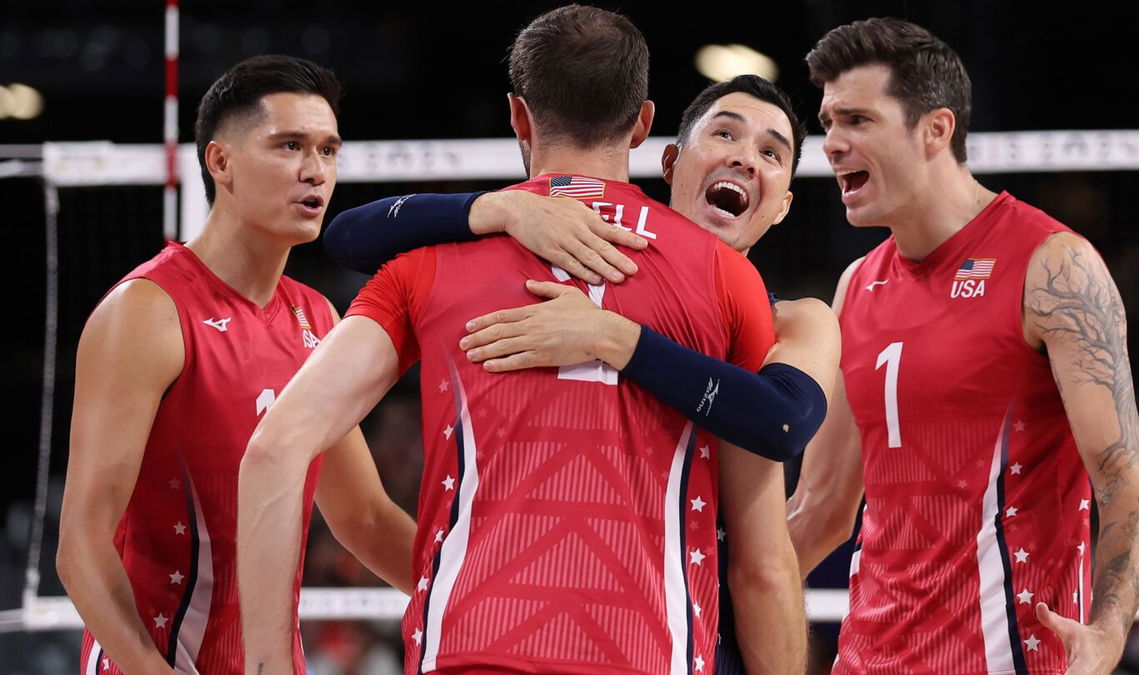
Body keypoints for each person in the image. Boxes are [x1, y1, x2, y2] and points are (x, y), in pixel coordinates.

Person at [238, 7, 791, 674]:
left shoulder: (427, 262)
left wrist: (268, 664)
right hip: (650, 653)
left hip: (470, 650)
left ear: (518, 117)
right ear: (644, 124)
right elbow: (761, 563)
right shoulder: (726, 276)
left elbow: (274, 447)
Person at [784, 18, 1139, 673]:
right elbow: (820, 507)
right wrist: (701, 593)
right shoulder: (857, 285)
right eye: (827, 123)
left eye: (857, 121)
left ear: (935, 130)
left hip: (1004, 658)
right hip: (865, 659)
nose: (832, 144)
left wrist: (1106, 630)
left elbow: (1125, 479)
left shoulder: (1053, 267)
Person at [56, 55, 416, 674]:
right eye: (290, 146)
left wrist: (483, 601)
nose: (315, 172)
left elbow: (363, 516)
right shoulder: (145, 312)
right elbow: (81, 544)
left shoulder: (317, 317)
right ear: (220, 162)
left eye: (329, 151)